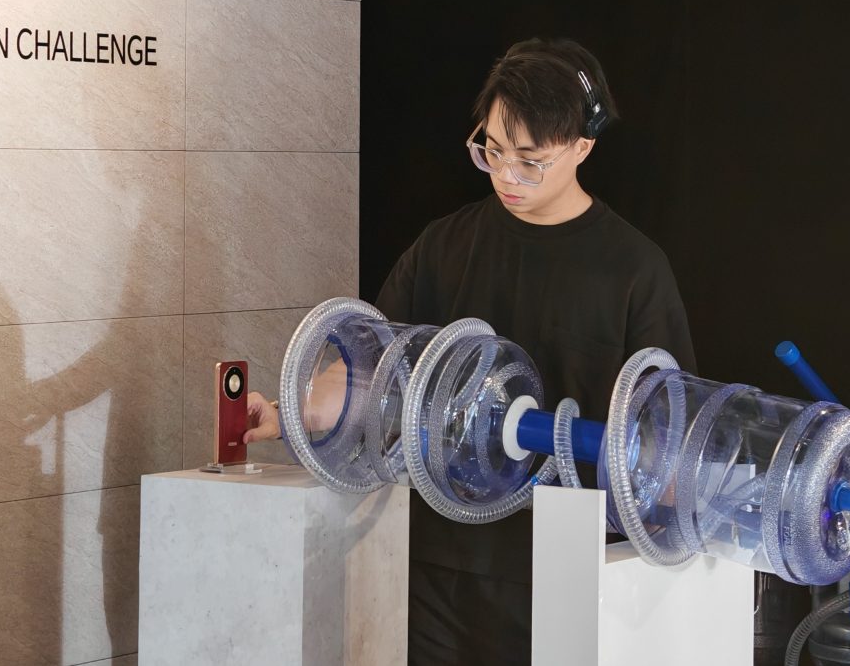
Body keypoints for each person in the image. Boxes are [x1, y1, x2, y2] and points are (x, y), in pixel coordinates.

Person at [244, 37, 696, 665]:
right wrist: (293, 415)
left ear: (582, 147)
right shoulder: (443, 246)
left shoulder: (633, 271)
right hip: (438, 559)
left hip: (565, 567)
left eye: (530, 160)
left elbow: (666, 435)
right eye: (493, 150)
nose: (506, 174)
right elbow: (369, 370)